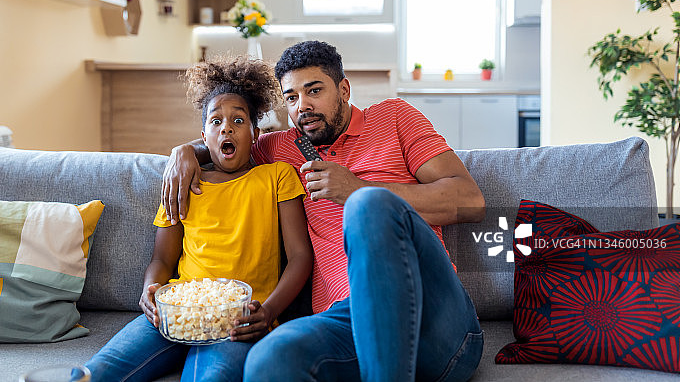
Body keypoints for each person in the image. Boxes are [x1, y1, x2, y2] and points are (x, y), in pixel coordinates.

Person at [162, 41, 486, 382]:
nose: (302, 105)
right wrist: (185, 151)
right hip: (348, 323)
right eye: (291, 97)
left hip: (432, 318)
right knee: (268, 359)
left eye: (314, 90)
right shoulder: (282, 148)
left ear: (344, 90)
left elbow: (471, 201)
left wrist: (357, 188)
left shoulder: (394, 118)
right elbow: (229, 141)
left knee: (368, 205)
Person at [86, 56, 313, 382]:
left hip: (236, 320)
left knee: (212, 377)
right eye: (216, 121)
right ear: (204, 137)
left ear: (255, 134)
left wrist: (269, 312)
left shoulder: (276, 177)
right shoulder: (183, 182)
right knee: (95, 372)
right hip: (174, 312)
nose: (226, 128)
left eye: (238, 120)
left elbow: (300, 257)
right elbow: (162, 259)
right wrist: (151, 289)